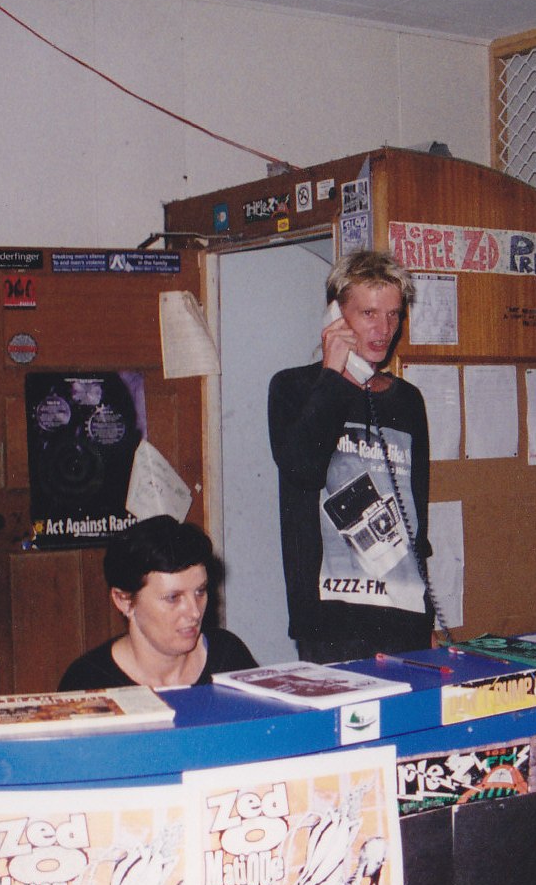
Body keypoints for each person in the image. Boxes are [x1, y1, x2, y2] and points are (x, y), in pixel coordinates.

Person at [268, 249, 433, 664]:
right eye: (369, 314)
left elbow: (416, 516)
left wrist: (426, 617)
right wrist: (335, 376)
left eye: (393, 315)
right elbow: (303, 470)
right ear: (336, 318)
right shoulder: (293, 388)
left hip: (403, 614)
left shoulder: (408, 400)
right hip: (329, 622)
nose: (384, 330)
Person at [56, 515, 257, 690]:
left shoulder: (228, 657)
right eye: (173, 598)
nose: (194, 612)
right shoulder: (88, 681)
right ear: (124, 600)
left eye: (200, 591)